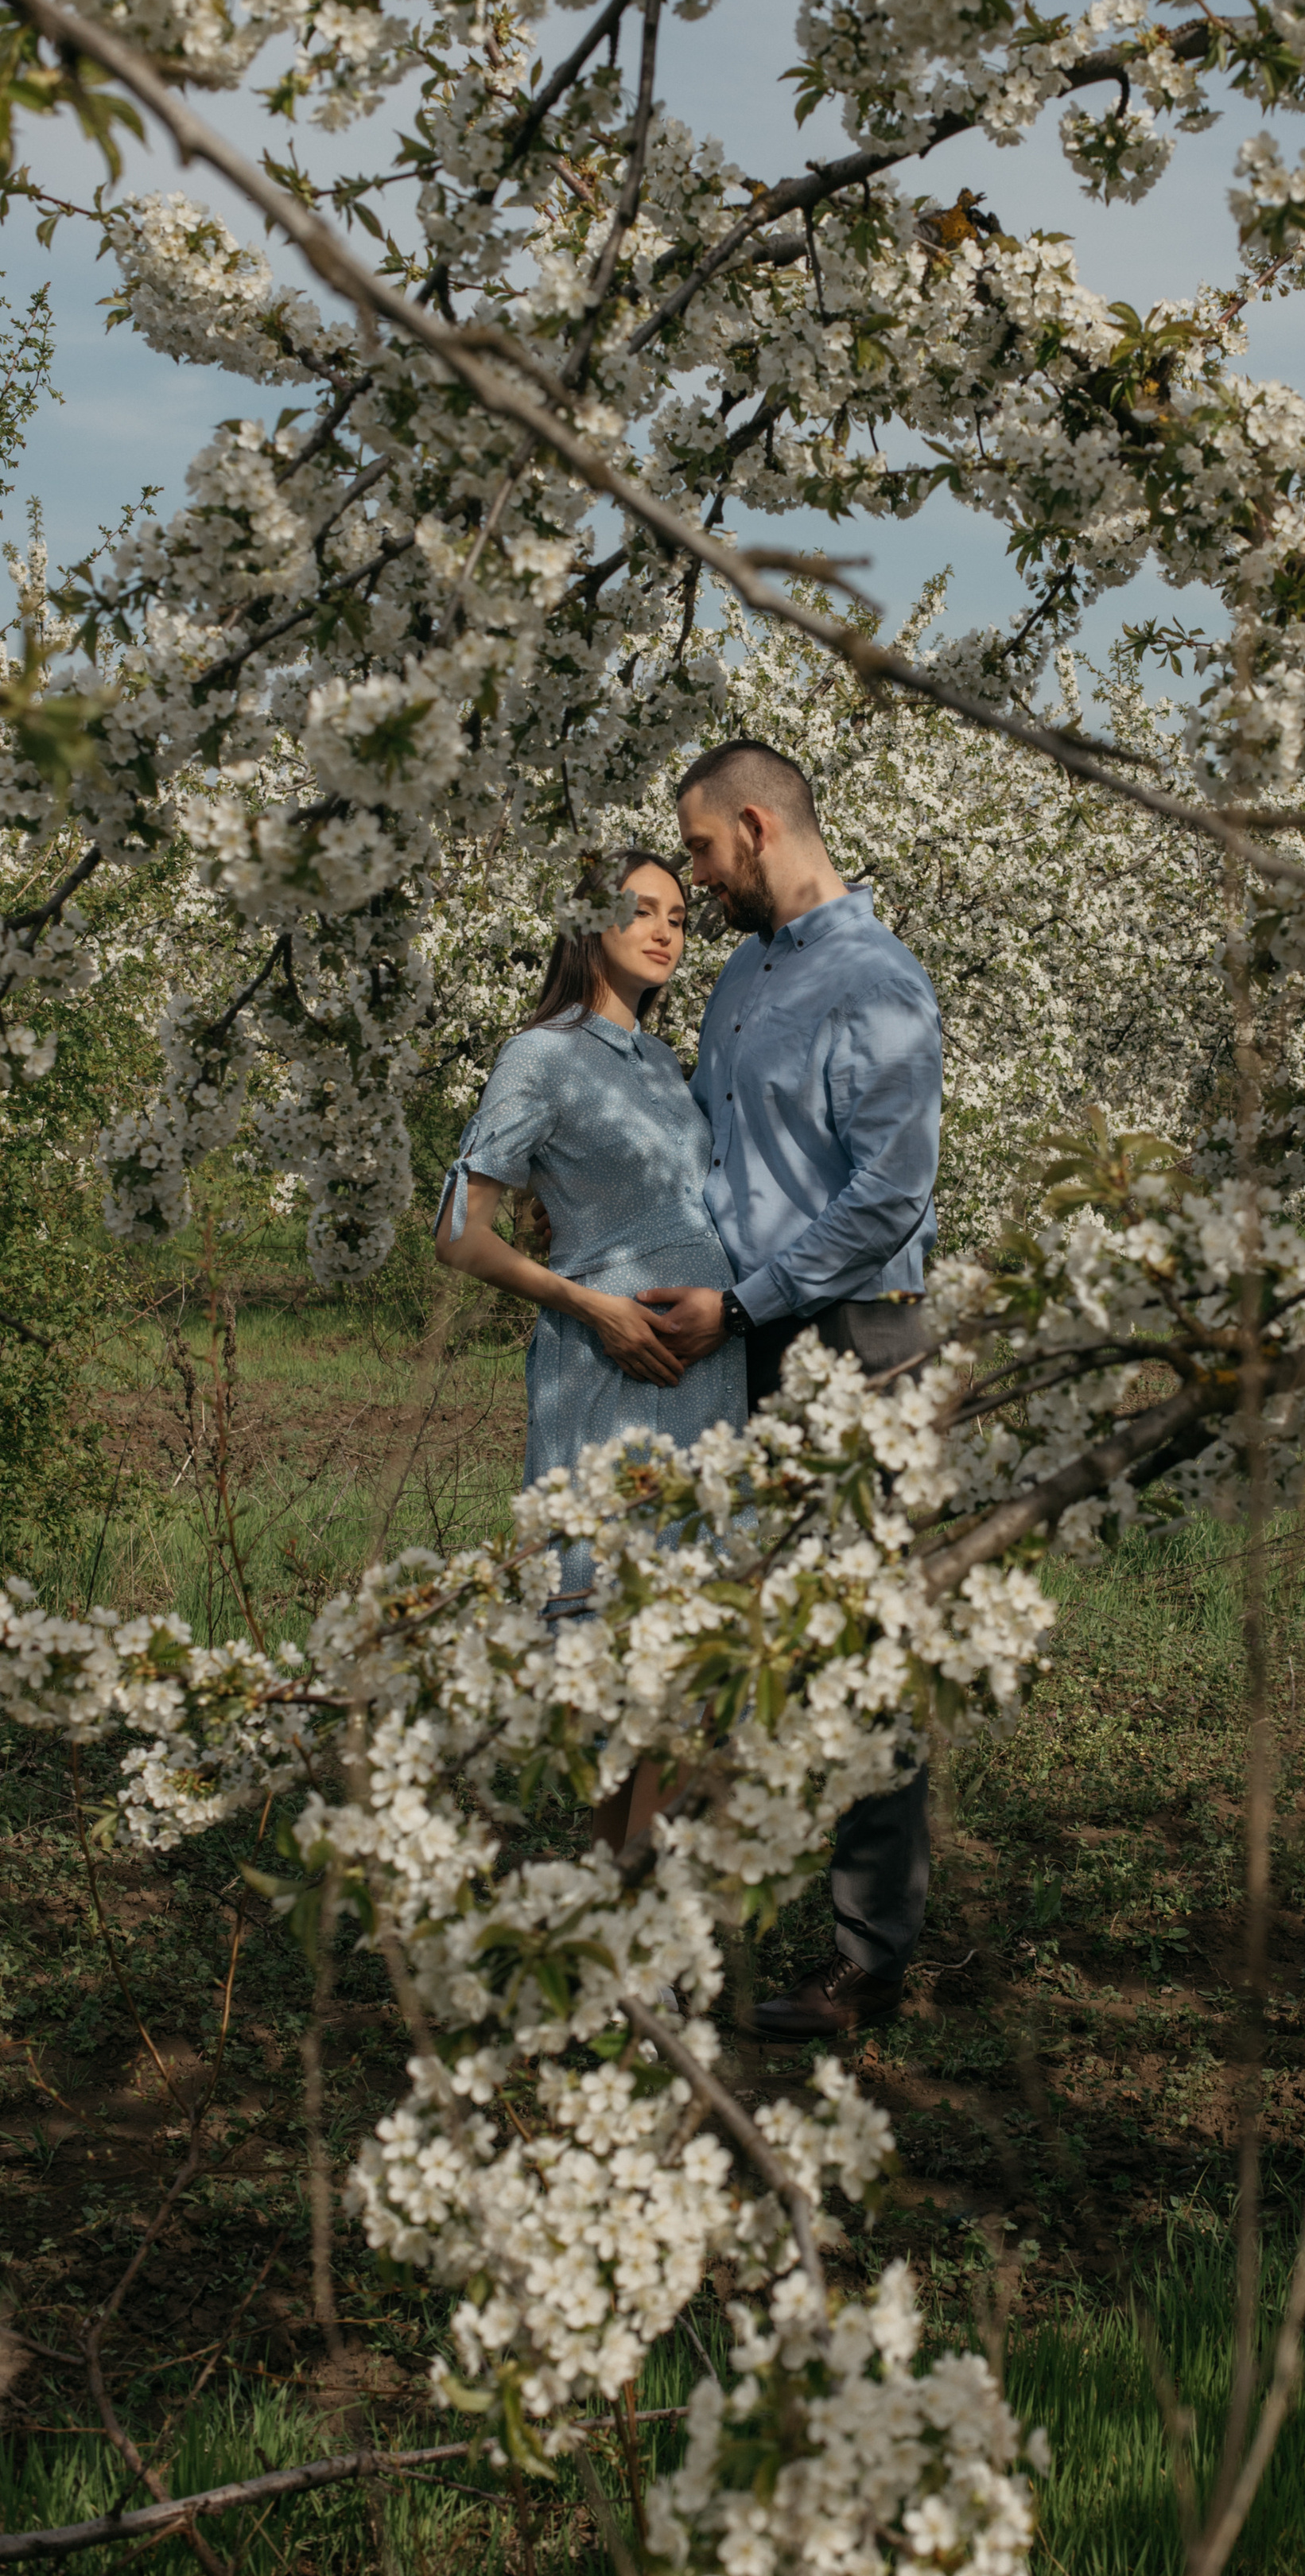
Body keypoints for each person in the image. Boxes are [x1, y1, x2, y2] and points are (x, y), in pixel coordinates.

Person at [636, 739, 943, 2042]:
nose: (693, 881)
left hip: (854, 1337)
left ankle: (873, 1960)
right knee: (732, 1629)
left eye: (700, 852)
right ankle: (691, 1920)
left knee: (866, 1640)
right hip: (735, 1334)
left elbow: (890, 1197)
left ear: (754, 828)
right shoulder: (745, 979)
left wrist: (749, 1300)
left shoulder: (878, 986)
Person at [433, 846, 749, 1715]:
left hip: (706, 1374)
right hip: (611, 1368)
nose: (665, 932)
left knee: (692, 1676)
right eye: (641, 910)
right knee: (620, 1672)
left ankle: (649, 1856)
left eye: (679, 918)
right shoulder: (539, 1055)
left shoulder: (660, 1063)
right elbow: (459, 1232)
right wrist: (590, 1305)